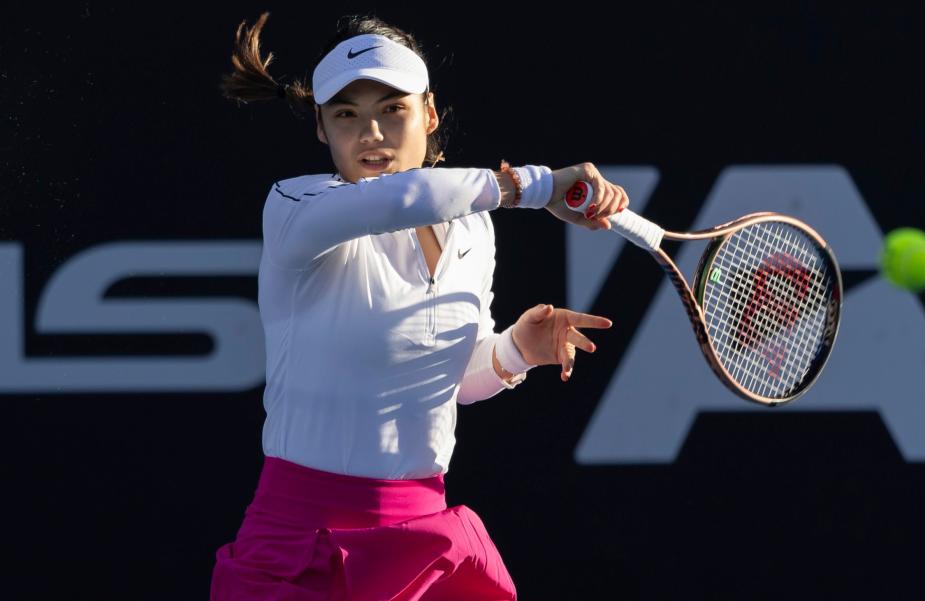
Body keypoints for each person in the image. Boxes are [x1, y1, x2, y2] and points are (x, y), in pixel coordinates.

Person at [211, 11, 630, 601]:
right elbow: (396, 200)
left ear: (429, 114)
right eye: (346, 115)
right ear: (321, 129)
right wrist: (534, 186)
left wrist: (515, 350)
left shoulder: (475, 229)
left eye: (392, 109)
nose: (371, 134)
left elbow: (451, 381)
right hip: (301, 542)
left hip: (422, 540)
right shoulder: (296, 208)